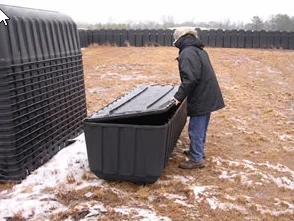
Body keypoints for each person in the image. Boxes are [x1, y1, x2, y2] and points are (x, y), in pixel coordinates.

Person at [172, 27, 225, 169]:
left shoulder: (188, 52)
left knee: (195, 129)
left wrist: (178, 97)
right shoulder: (197, 49)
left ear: (179, 39)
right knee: (201, 127)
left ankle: (196, 159)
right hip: (207, 94)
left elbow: (190, 78)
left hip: (201, 95)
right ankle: (197, 151)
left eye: (174, 39)